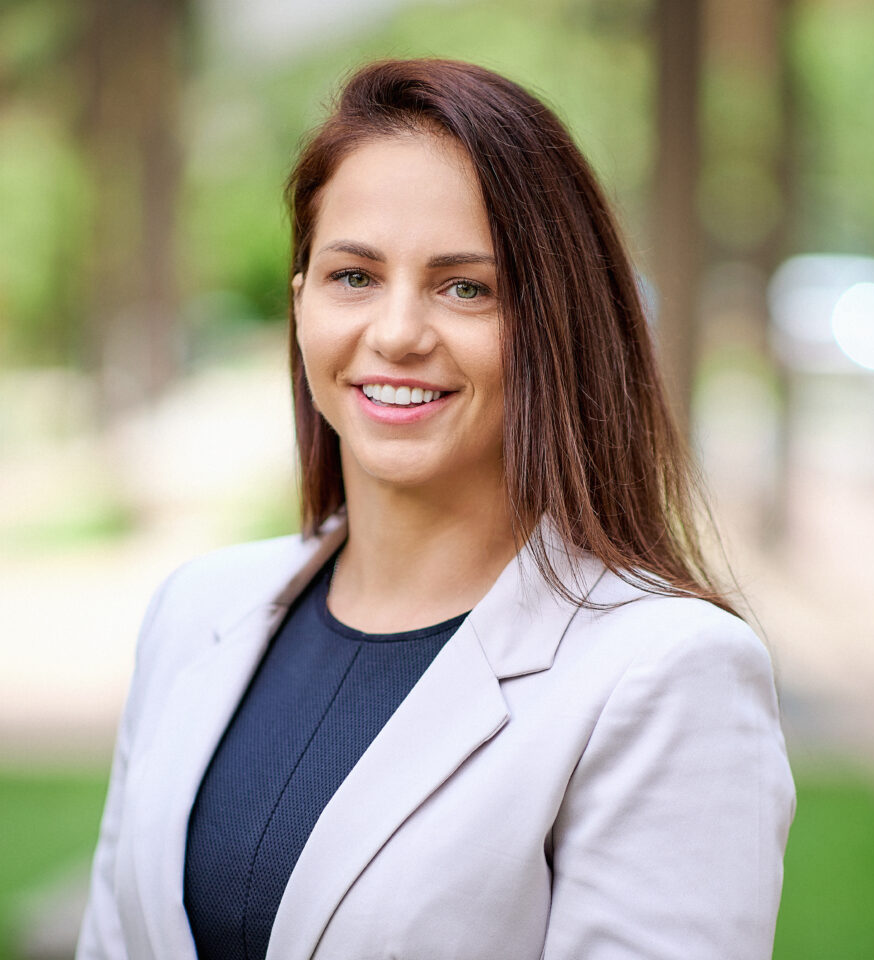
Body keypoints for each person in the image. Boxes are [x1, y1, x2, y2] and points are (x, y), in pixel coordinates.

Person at [77, 58, 795, 960]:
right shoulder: (195, 612)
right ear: (300, 304)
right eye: (354, 276)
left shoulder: (665, 674)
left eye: (467, 287)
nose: (399, 332)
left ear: (554, 325)